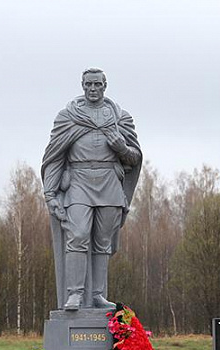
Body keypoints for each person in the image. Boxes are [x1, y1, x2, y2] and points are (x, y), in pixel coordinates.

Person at [41, 68, 143, 310]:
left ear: (105, 85)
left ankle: (97, 295)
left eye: (97, 84)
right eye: (88, 84)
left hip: (109, 181)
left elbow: (134, 158)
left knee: (102, 242)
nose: (93, 89)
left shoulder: (120, 117)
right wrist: (50, 193)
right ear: (82, 85)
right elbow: (55, 156)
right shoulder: (68, 117)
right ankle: (74, 293)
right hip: (78, 181)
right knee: (77, 236)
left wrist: (121, 148)